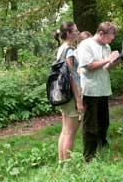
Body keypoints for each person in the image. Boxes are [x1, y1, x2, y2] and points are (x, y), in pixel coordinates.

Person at [77, 22, 119, 162]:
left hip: (103, 88)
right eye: (110, 37)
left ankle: (101, 146)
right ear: (101, 33)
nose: (111, 40)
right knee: (90, 124)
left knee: (104, 121)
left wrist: (118, 59)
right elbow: (88, 66)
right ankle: (89, 155)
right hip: (90, 89)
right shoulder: (86, 45)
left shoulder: (106, 46)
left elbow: (106, 66)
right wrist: (108, 59)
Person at [53, 21, 84, 162]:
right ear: (69, 33)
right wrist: (78, 100)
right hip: (71, 95)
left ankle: (62, 161)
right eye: (76, 30)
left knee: (65, 131)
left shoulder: (61, 49)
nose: (78, 32)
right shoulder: (69, 51)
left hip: (62, 94)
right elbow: (71, 77)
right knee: (70, 133)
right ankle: (67, 165)